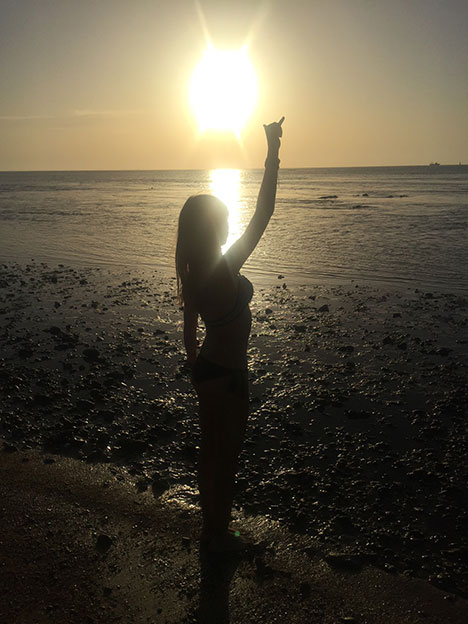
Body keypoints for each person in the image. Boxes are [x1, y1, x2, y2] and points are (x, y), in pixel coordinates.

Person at [175, 117, 284, 551]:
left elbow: (188, 333)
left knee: (209, 453)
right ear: (213, 229)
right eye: (222, 219)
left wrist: (193, 365)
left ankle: (210, 531)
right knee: (227, 460)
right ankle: (220, 538)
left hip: (207, 373)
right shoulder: (223, 268)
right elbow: (264, 213)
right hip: (228, 378)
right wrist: (272, 153)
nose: (227, 225)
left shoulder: (194, 273)